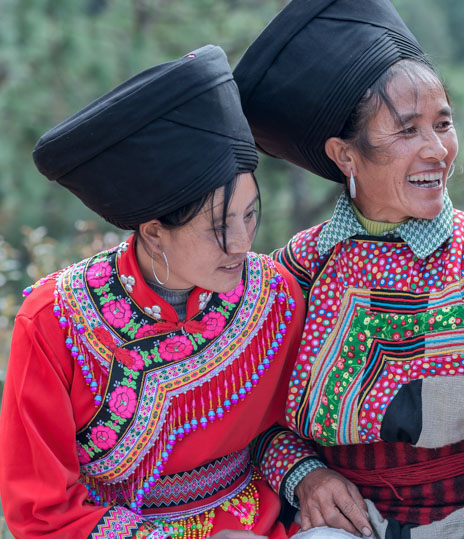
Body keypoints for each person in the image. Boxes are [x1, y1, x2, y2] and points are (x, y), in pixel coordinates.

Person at [233, 0, 464, 539]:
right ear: (345, 155)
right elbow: (253, 418)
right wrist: (305, 477)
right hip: (351, 526)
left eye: (443, 124)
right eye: (407, 131)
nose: (437, 150)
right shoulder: (297, 270)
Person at [0, 46, 306, 538]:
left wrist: (306, 476)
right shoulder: (53, 324)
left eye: (250, 215)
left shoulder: (276, 298)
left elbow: (285, 429)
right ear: (153, 229)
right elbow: (42, 513)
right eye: (217, 227)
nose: (243, 244)